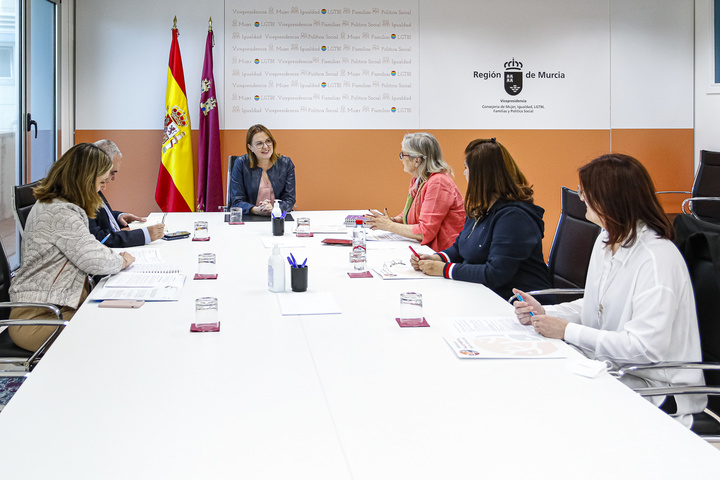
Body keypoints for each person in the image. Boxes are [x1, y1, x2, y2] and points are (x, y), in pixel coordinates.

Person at [512, 154, 706, 427]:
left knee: (555, 413)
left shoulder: (656, 259)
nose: (580, 198)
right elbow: (595, 306)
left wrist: (566, 330)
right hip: (612, 369)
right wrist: (545, 312)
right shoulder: (607, 238)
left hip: (657, 388)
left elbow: (643, 349)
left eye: (584, 192)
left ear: (608, 200)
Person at [8, 143, 135, 351]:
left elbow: (90, 246)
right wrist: (123, 260)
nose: (102, 188)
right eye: (101, 182)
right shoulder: (60, 212)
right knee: (114, 333)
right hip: (39, 318)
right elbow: (95, 260)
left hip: (60, 307)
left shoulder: (63, 205)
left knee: (116, 324)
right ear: (84, 179)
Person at [410, 138, 551, 300]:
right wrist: (436, 258)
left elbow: (495, 274)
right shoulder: (482, 207)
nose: (464, 172)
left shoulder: (514, 217)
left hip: (518, 306)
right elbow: (460, 247)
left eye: (466, 168)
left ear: (481, 176)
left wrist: (444, 269)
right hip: (485, 295)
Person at [364, 132, 464, 252]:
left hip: (442, 254)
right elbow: (410, 215)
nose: (401, 159)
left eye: (403, 155)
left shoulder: (438, 183)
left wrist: (389, 226)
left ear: (417, 161)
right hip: (426, 250)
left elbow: (425, 232)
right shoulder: (419, 179)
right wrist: (392, 220)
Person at [88, 139, 165, 247]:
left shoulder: (93, 186)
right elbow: (98, 238)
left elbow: (98, 216)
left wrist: (118, 217)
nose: (112, 178)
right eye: (111, 172)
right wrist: (144, 235)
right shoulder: (80, 195)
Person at [229, 124, 296, 216]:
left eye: (268, 141)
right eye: (259, 143)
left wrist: (274, 209)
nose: (265, 146)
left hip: (278, 216)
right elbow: (237, 201)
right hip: (250, 217)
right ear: (250, 147)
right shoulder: (241, 163)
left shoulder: (286, 163)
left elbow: (289, 199)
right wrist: (256, 210)